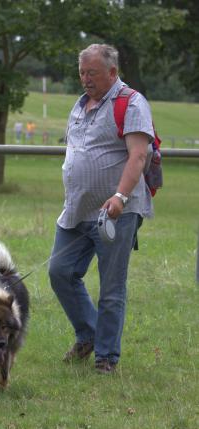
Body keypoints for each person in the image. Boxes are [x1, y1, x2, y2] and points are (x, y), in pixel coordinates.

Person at [48, 44, 154, 374]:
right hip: (77, 211)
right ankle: (89, 334)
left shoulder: (132, 103)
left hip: (116, 212)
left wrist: (120, 197)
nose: (85, 79)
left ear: (111, 72)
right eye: (81, 72)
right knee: (60, 273)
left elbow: (138, 156)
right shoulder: (79, 105)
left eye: (91, 72)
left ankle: (106, 357)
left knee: (111, 287)